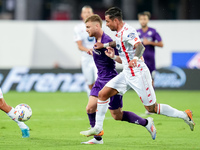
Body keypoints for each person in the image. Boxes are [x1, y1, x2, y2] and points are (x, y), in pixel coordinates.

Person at [80, 7, 195, 138]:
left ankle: (184, 115)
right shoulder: (118, 33)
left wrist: (135, 58)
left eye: (107, 21)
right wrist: (107, 48)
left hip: (139, 74)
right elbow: (117, 43)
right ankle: (98, 128)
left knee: (151, 108)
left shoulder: (128, 31)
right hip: (127, 73)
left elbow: (140, 46)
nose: (106, 24)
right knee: (103, 94)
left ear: (116, 20)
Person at [80, 14, 156, 144]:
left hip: (111, 79)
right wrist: (94, 53)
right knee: (90, 108)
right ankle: (98, 138)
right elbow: (102, 55)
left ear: (97, 26)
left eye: (88, 27)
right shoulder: (96, 39)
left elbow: (123, 58)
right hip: (100, 79)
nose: (86, 29)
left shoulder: (108, 39)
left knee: (117, 115)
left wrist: (134, 59)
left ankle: (146, 122)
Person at [74, 6, 97, 97]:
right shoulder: (78, 28)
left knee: (98, 80)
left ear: (92, 14)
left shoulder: (97, 26)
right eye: (85, 12)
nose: (87, 14)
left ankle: (100, 103)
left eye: (89, 12)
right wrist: (88, 50)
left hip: (97, 57)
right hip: (86, 58)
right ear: (81, 15)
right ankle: (92, 103)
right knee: (90, 83)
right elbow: (79, 46)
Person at [137, 11, 163, 84]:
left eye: (145, 19)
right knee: (141, 81)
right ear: (139, 20)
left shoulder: (153, 31)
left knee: (151, 80)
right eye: (141, 19)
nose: (143, 21)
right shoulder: (136, 32)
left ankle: (152, 95)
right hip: (140, 60)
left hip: (151, 60)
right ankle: (143, 95)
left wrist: (149, 42)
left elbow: (161, 44)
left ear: (148, 20)